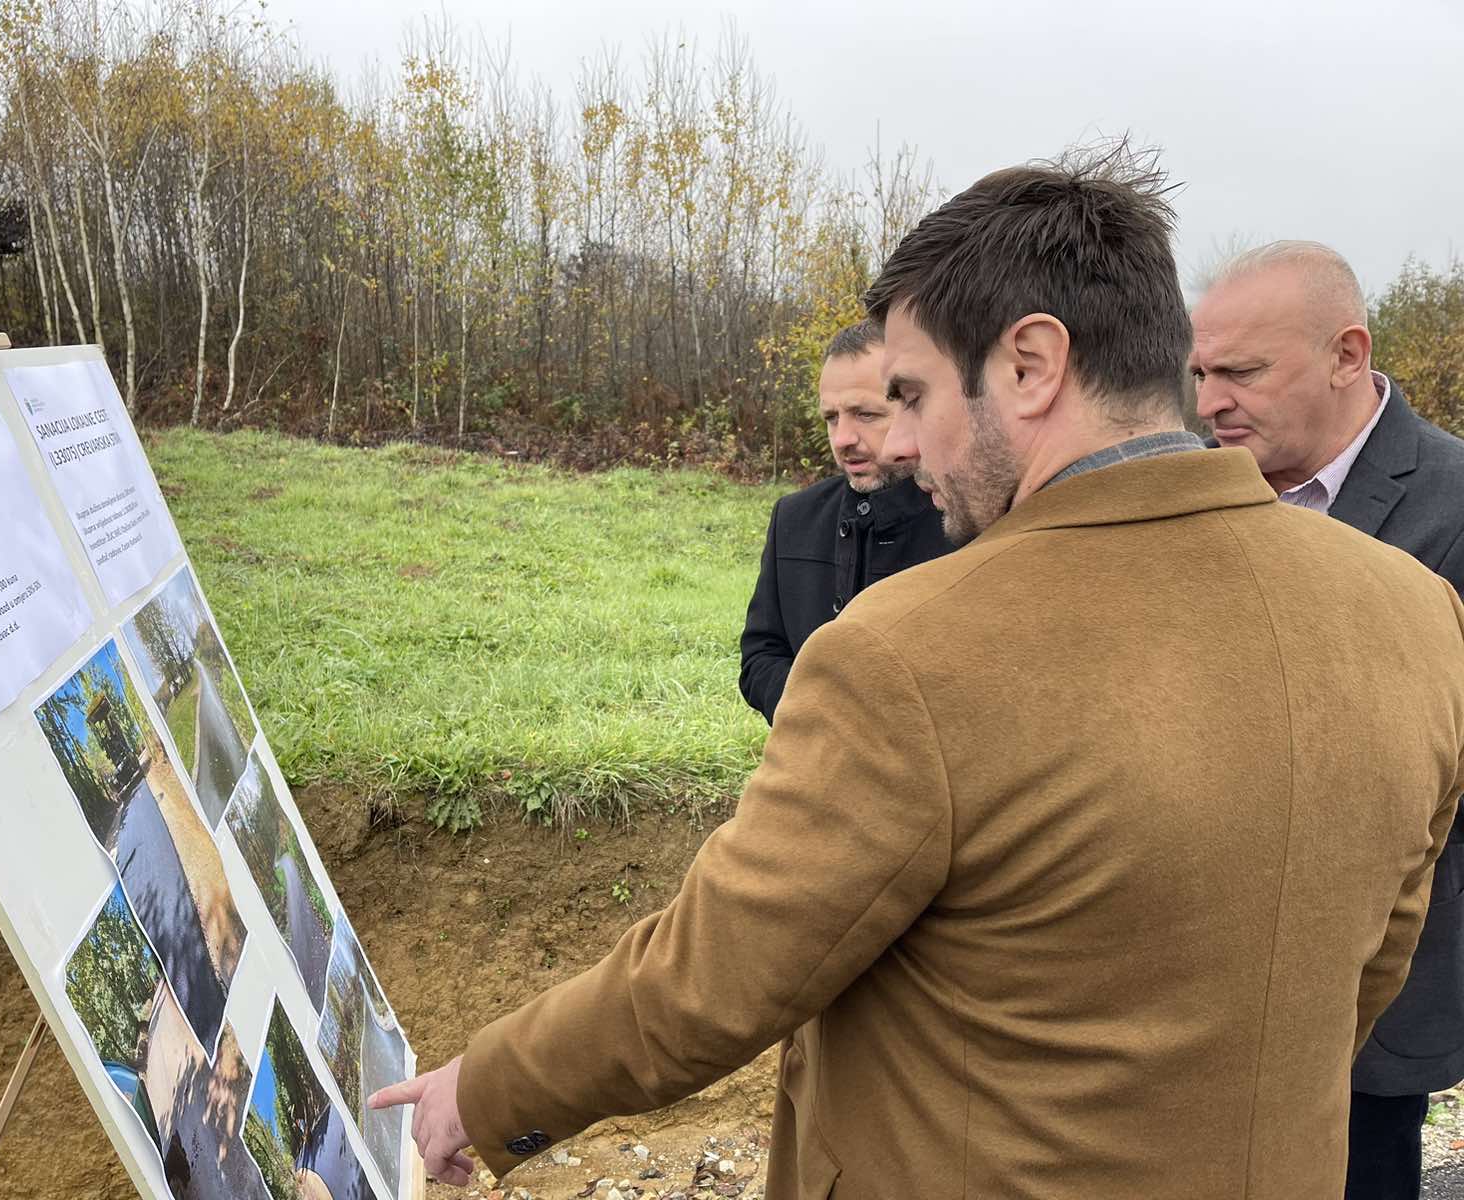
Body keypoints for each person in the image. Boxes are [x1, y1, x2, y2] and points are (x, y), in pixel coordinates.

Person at [369, 150, 1464, 1199]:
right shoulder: (1414, 611)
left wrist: (483, 1091)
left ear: (1030, 365)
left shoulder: (908, 653)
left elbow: (713, 979)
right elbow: (1368, 972)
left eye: (913, 394)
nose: (896, 446)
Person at [1190, 240, 1464, 1200]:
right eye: (1199, 374)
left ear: (1348, 354)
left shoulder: (1455, 503)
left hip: (1371, 989)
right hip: (1196, 974)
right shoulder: (1193, 491)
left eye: (1241, 372)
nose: (1209, 402)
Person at [738, 319, 953, 723]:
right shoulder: (794, 518)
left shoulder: (966, 523)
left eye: (865, 414)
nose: (842, 438)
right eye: (832, 417)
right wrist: (820, 715)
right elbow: (760, 656)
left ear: (914, 406)